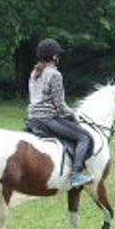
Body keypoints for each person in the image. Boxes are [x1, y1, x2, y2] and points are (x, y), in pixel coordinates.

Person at [27, 38, 94, 187]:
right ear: (54, 56)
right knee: (84, 137)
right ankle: (76, 174)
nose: (59, 57)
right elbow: (60, 105)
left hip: (32, 117)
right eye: (57, 54)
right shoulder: (55, 75)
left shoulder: (34, 73)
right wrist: (73, 115)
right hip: (47, 119)